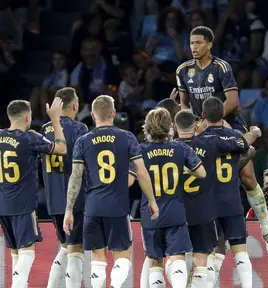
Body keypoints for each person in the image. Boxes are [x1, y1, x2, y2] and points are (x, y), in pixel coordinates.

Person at [63, 95, 159, 288]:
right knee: (123, 257)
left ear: (92, 115)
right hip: (118, 206)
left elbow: (76, 176)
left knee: (98, 258)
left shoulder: (83, 141)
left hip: (93, 207)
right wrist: (152, 200)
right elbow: (141, 172)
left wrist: (69, 209)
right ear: (113, 113)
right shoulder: (128, 137)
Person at [175, 109, 263, 288]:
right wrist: (254, 133)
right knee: (210, 258)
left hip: (180, 210)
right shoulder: (209, 143)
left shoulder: (172, 148)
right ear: (196, 124)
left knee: (176, 259)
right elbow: (244, 145)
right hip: (208, 208)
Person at [200, 97, 268, 288]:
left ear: (203, 116)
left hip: (209, 204)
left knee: (212, 253)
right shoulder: (235, 138)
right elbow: (249, 148)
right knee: (241, 253)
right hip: (232, 202)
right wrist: (254, 132)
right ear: (222, 115)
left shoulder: (199, 141)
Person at [0, 98, 67, 288]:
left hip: (3, 204)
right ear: (28, 116)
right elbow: (61, 148)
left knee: (15, 253)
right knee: (27, 253)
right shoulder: (29, 138)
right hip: (22, 204)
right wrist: (55, 119)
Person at [140, 108, 206, 288]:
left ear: (147, 127)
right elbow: (201, 172)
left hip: (150, 214)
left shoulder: (140, 151)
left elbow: (130, 179)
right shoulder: (180, 148)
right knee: (177, 259)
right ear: (170, 126)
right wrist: (181, 168)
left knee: (155, 263)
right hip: (175, 211)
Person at [41, 88, 88, 288]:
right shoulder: (80, 129)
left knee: (65, 246)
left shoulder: (44, 129)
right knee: (76, 249)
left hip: (53, 199)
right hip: (74, 198)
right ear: (75, 106)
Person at [176, 25, 247, 133]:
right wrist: (192, 123)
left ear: (209, 45)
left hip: (227, 122)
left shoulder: (221, 67)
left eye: (199, 43)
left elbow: (233, 101)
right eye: (192, 43)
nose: (194, 47)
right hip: (199, 126)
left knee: (247, 148)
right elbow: (184, 103)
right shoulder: (182, 70)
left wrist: (210, 121)